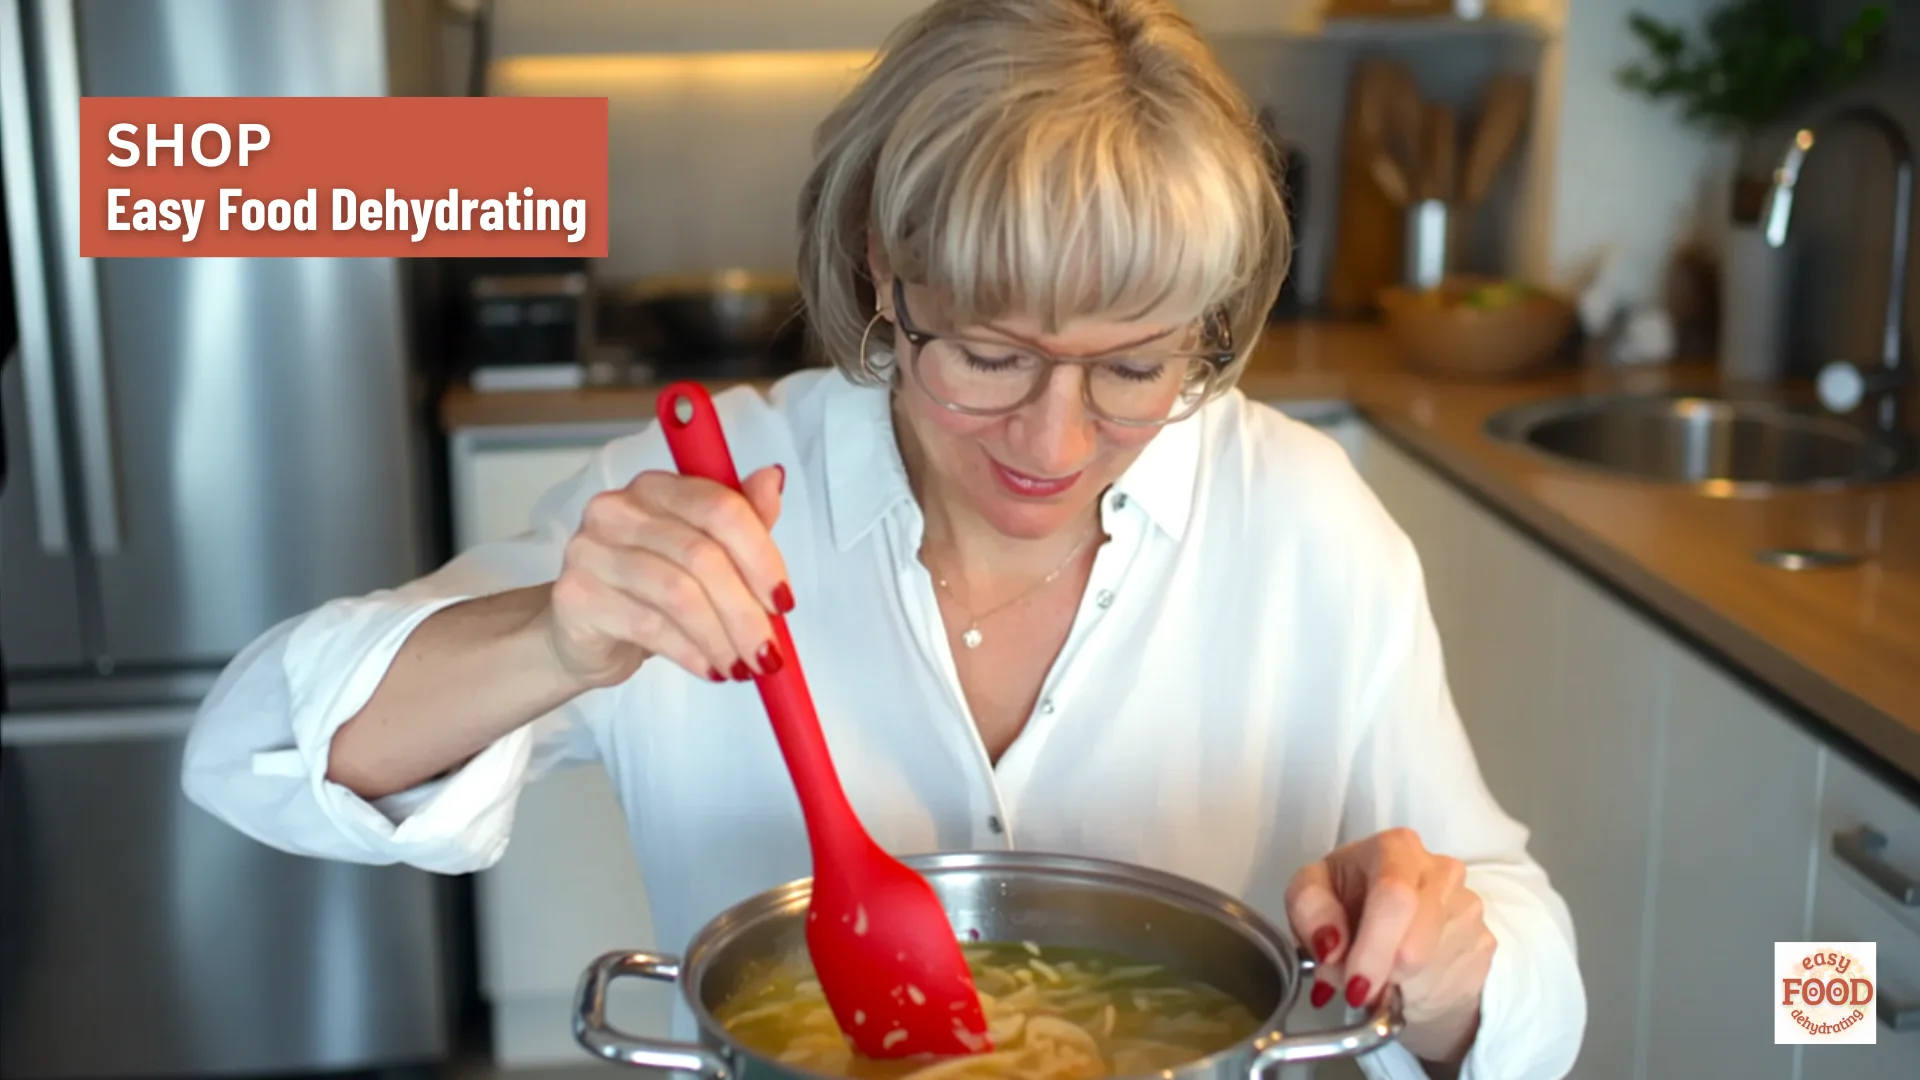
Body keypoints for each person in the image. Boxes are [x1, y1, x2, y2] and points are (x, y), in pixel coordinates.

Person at [182, 1, 1584, 1075]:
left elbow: (1535, 979)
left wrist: (1452, 961)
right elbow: (247, 750)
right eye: (987, 354)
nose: (1052, 443)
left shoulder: (1303, 522)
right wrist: (556, 638)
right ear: (881, 277)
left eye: (1134, 367)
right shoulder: (717, 495)